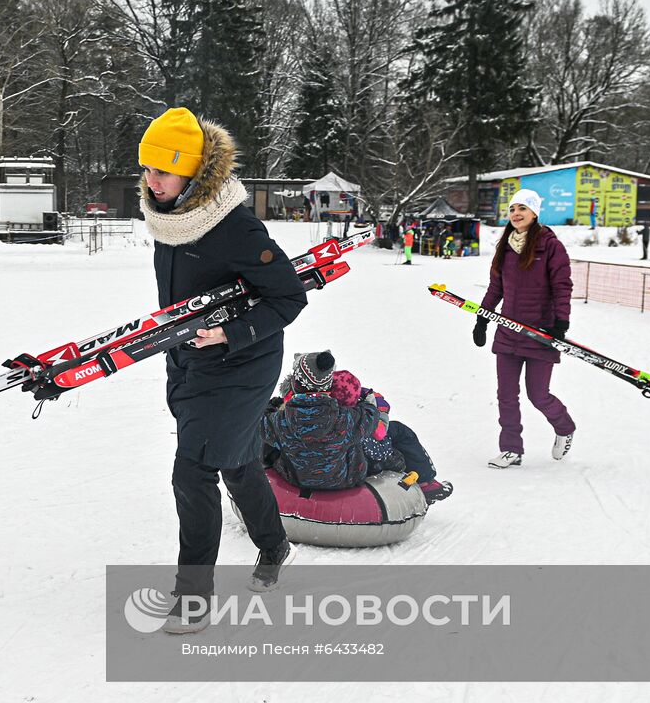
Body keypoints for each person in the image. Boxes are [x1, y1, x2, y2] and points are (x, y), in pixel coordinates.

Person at [138, 106, 307, 633]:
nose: (151, 181)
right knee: (236, 462)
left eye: (162, 171)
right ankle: (275, 546)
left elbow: (288, 297)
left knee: (193, 470)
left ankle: (194, 598)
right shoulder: (171, 217)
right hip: (190, 359)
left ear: (190, 172)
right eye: (146, 169)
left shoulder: (232, 224)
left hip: (242, 362)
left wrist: (231, 333)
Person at [263, 351, 451, 503]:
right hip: (345, 479)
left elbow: (259, 423)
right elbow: (372, 414)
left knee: (264, 443)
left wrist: (273, 405)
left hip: (296, 478)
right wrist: (363, 399)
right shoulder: (348, 419)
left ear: (295, 384)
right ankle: (426, 482)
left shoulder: (278, 421)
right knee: (396, 432)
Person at [474, 189, 575, 468]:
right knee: (505, 395)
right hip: (508, 331)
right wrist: (482, 318)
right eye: (512, 209)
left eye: (522, 209)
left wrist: (561, 323)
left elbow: (562, 286)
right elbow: (496, 288)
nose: (516, 214)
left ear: (534, 213)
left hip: (540, 332)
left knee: (538, 394)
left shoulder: (550, 246)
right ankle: (511, 449)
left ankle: (565, 427)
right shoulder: (505, 247)